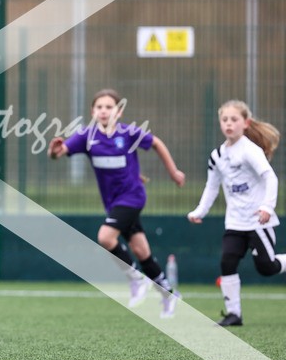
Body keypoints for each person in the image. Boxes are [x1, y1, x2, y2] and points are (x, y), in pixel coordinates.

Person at [48, 88, 185, 317]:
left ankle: (135, 279)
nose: (104, 111)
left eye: (109, 107)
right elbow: (59, 152)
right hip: (113, 203)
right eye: (99, 107)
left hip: (133, 197)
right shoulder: (87, 137)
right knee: (141, 251)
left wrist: (173, 172)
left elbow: (157, 143)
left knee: (105, 237)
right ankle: (169, 295)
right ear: (93, 111)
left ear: (118, 112)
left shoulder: (129, 133)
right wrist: (54, 151)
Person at [187, 100, 284, 327]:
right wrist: (200, 211)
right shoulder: (217, 156)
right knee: (227, 262)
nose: (229, 124)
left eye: (234, 120)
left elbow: (270, 178)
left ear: (245, 123)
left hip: (258, 221)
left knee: (266, 267)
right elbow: (212, 187)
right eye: (224, 120)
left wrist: (267, 207)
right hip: (235, 222)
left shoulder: (250, 150)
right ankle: (234, 314)